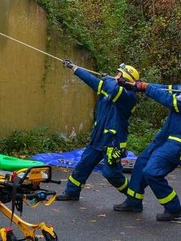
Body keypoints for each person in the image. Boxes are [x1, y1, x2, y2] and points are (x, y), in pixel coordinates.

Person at [114, 60, 181, 221]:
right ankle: (133, 201)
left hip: (178, 144)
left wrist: (146, 87)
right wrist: (135, 85)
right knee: (141, 162)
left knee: (152, 172)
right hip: (165, 139)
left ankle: (173, 208)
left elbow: (167, 100)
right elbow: (163, 88)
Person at [55, 61, 140, 202]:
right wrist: (76, 69)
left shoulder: (128, 96)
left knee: (111, 173)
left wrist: (107, 79)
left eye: (118, 74)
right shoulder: (110, 88)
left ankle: (133, 197)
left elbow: (113, 88)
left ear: (125, 79)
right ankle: (71, 192)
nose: (115, 76)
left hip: (113, 141)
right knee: (83, 164)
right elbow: (93, 81)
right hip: (99, 137)